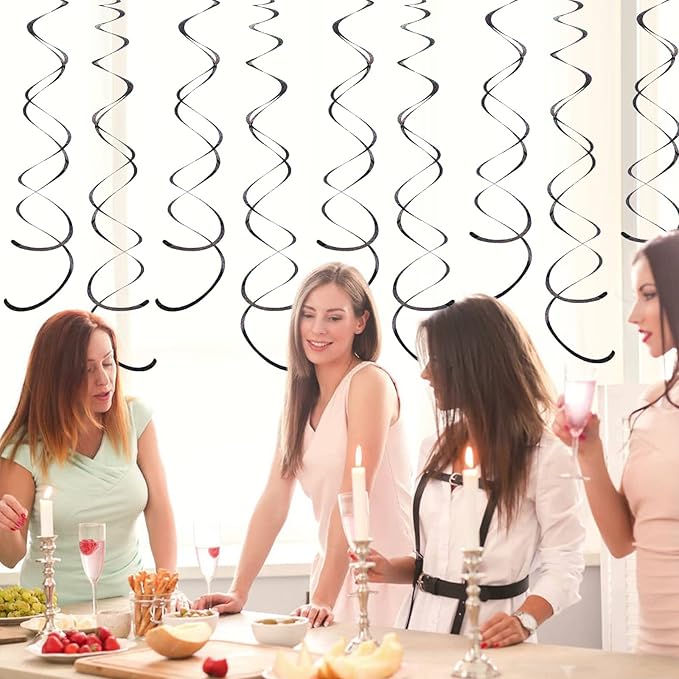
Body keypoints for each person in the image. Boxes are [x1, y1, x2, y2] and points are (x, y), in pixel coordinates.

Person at [195, 262, 412, 627]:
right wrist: (239, 590)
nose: (317, 329)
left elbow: (352, 495)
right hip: (333, 574)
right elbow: (274, 500)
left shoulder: (369, 383)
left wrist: (323, 598)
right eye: (308, 315)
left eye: (334, 317)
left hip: (385, 575)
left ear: (361, 322)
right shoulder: (299, 400)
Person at [363, 295, 585, 646]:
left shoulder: (544, 455)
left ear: (474, 364)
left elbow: (565, 562)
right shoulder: (434, 445)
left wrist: (524, 620)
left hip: (489, 640)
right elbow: (438, 559)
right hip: (415, 633)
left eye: (437, 361)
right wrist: (391, 569)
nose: (425, 373)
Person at [553, 229, 679, 657]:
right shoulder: (653, 403)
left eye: (649, 295)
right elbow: (623, 540)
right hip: (652, 652)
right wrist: (589, 452)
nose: (634, 316)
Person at [0, 310, 176, 603]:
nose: (104, 379)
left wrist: (165, 589)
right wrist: (4, 526)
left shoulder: (135, 417)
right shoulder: (24, 448)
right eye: (87, 370)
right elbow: (10, 556)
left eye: (108, 362)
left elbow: (160, 509)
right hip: (54, 611)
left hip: (130, 604)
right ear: (56, 377)